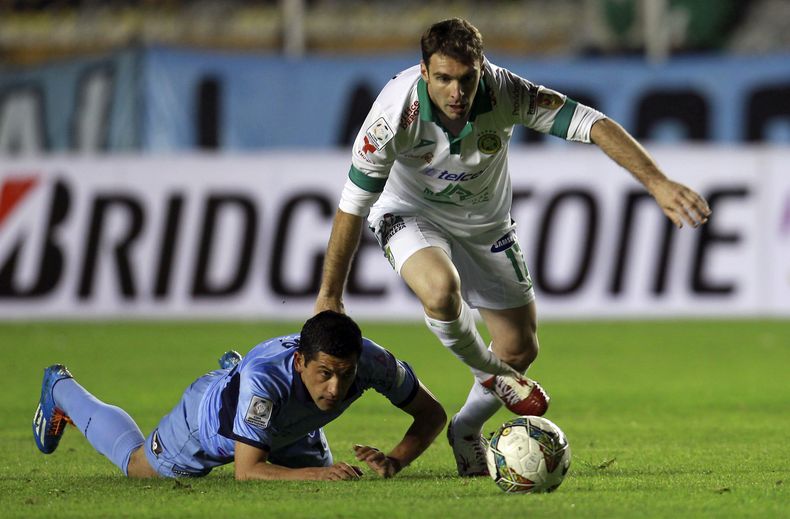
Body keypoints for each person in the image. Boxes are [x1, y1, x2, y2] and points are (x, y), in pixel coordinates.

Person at [314, 18, 712, 477]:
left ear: (481, 69)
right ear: (424, 72)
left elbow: (593, 123)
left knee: (520, 348)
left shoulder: (506, 92)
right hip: (408, 212)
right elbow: (351, 208)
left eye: (466, 78)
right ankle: (489, 372)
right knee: (441, 290)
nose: (456, 92)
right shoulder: (390, 116)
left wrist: (657, 183)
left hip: (486, 225)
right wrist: (330, 295)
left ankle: (465, 430)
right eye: (443, 78)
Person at [32, 311, 447, 480]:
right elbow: (247, 472)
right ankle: (61, 389)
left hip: (289, 424)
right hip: (206, 424)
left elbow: (432, 415)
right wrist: (318, 472)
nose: (336, 389)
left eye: (345, 375)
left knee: (326, 485)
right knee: (138, 465)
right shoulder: (266, 381)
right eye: (325, 374)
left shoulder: (374, 362)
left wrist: (395, 460)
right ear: (301, 362)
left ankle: (238, 382)